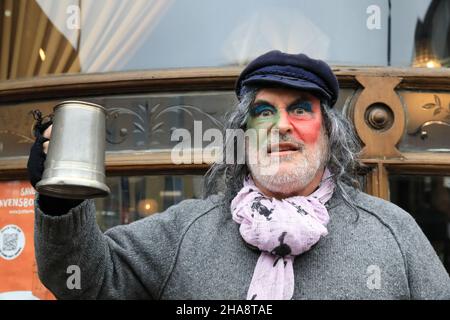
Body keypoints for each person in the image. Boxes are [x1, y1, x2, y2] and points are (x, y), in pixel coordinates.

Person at [28, 50, 450, 300]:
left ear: (328, 133)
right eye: (264, 113)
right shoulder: (185, 231)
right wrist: (60, 200)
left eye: (301, 109)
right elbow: (87, 281)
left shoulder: (393, 231)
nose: (281, 125)